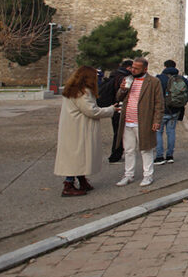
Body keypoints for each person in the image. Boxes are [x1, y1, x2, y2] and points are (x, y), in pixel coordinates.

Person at [54, 66, 119, 197]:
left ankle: (81, 179)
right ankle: (68, 184)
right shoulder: (83, 92)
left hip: (73, 128)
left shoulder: (72, 90)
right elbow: (92, 111)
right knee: (77, 156)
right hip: (79, 129)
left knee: (78, 156)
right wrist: (111, 109)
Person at [113, 57, 163, 187]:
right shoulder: (128, 80)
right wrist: (122, 89)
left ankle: (148, 175)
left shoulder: (153, 82)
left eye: (136, 68)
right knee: (129, 150)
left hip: (143, 121)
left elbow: (159, 103)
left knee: (146, 149)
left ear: (145, 69)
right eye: (132, 67)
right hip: (127, 121)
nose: (132, 70)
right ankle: (128, 175)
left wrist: (157, 120)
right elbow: (119, 97)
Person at [155, 59, 188, 164]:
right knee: (171, 132)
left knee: (158, 133)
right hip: (175, 110)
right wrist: (184, 100)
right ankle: (170, 156)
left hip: (162, 110)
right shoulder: (181, 78)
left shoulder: (159, 78)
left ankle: (159, 156)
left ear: (165, 67)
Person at [101, 59, 133, 163]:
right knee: (121, 133)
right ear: (128, 67)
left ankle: (116, 154)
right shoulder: (124, 77)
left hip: (113, 107)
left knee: (117, 132)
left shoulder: (114, 75)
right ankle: (116, 155)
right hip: (120, 107)